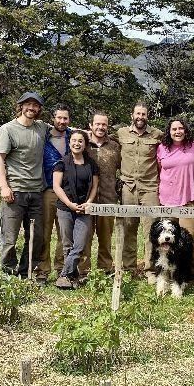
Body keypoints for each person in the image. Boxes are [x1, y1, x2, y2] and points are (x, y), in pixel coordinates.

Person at [0, 92, 49, 277]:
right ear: (20, 106)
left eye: (35, 105)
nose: (31, 108)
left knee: (36, 236)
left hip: (37, 192)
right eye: (28, 104)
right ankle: (8, 273)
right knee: (10, 237)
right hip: (15, 192)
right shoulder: (7, 129)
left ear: (39, 109)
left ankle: (25, 272)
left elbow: (62, 127)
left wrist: (87, 132)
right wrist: (4, 186)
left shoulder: (41, 127)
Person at [117, 102, 164, 273]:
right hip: (128, 188)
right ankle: (129, 268)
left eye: (143, 114)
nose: (140, 117)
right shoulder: (121, 133)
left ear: (147, 116)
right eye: (138, 114)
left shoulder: (157, 134)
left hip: (150, 188)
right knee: (129, 228)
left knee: (151, 230)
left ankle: (150, 269)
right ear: (132, 115)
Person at [52, 130, 99, 289]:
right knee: (67, 244)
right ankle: (72, 278)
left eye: (80, 141)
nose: (77, 143)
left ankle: (64, 275)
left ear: (85, 144)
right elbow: (57, 187)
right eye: (74, 140)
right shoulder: (61, 163)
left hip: (85, 209)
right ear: (69, 142)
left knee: (79, 245)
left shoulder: (91, 164)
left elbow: (94, 187)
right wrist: (70, 204)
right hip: (65, 208)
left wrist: (89, 202)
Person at [81, 111, 121, 276]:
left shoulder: (115, 146)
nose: (101, 127)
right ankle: (83, 271)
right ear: (91, 125)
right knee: (84, 236)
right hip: (85, 198)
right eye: (97, 124)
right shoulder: (83, 143)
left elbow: (122, 167)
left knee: (106, 238)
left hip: (108, 197)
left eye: (104, 124)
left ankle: (105, 270)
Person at [157, 117, 194, 265]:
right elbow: (158, 170)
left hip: (189, 200)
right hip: (167, 200)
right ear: (169, 132)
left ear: (185, 130)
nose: (177, 131)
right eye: (174, 129)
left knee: (188, 239)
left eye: (180, 128)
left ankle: (190, 274)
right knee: (167, 239)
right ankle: (169, 272)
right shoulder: (162, 147)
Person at [38, 103, 72, 281]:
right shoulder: (43, 136)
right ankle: (42, 270)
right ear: (53, 119)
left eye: (65, 118)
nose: (62, 121)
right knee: (44, 231)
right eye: (59, 117)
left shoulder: (72, 136)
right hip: (48, 190)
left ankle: (61, 269)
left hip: (67, 191)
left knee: (64, 233)